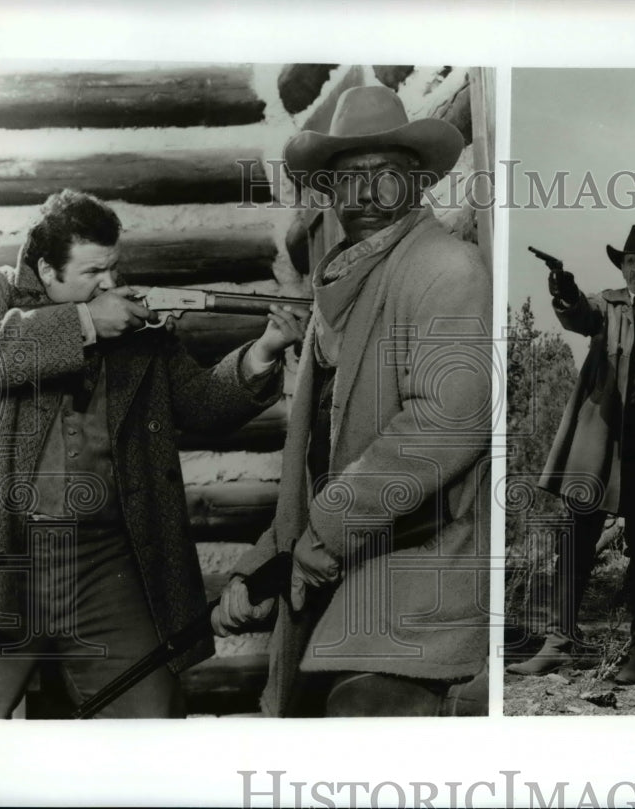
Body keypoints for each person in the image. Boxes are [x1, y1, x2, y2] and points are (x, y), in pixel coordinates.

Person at [213, 85, 492, 717]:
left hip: (418, 575)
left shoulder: (447, 268)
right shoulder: (341, 289)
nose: (365, 196)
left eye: (385, 176)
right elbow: (319, 462)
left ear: (416, 182)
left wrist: (321, 539)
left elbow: (444, 424)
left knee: (359, 724)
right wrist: (260, 567)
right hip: (343, 569)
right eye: (346, 180)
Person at [0, 189, 303, 718]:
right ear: (46, 270)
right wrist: (84, 324)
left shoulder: (134, 324)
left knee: (151, 717)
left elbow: (201, 406)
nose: (109, 283)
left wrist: (264, 350)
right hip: (2, 557)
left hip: (103, 561)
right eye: (92, 271)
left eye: (113, 267)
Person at [507, 224, 635, 684]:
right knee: (576, 540)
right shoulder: (608, 307)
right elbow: (579, 314)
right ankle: (558, 644)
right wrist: (563, 287)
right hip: (602, 447)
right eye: (629, 262)